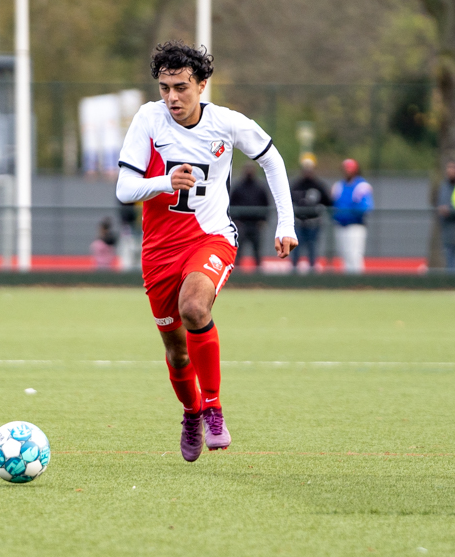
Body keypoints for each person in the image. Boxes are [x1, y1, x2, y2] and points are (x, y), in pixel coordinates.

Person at [116, 41, 297, 462]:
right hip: (159, 250)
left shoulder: (226, 124)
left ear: (201, 84)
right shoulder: (148, 118)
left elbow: (273, 160)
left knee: (195, 307)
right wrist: (164, 183)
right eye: (164, 88)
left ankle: (213, 407)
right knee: (176, 350)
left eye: (180, 87)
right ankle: (192, 411)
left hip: (211, 237)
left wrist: (285, 223)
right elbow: (125, 189)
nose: (172, 97)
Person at [290, 153, 332, 271]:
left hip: (313, 223)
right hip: (299, 222)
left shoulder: (318, 185)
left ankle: (313, 274)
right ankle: (293, 274)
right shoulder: (296, 185)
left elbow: (328, 202)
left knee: (312, 249)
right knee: (295, 250)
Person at [331, 158, 374, 274]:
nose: (347, 171)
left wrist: (348, 211)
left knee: (354, 255)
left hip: (355, 225)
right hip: (340, 225)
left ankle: (357, 284)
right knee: (344, 256)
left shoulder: (361, 185)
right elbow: (334, 205)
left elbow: (365, 207)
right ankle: (347, 286)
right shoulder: (339, 185)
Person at [229, 162, 270, 270]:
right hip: (241, 224)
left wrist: (263, 220)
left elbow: (266, 204)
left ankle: (258, 274)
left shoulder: (260, 187)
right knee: (238, 250)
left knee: (257, 251)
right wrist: (235, 220)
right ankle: (236, 273)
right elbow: (231, 204)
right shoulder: (238, 187)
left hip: (255, 225)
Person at [436, 160, 455, 270]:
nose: (450, 170)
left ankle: (454, 281)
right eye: (448, 167)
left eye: (453, 168)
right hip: (445, 227)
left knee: (454, 256)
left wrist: (450, 210)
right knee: (448, 255)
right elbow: (440, 202)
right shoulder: (444, 186)